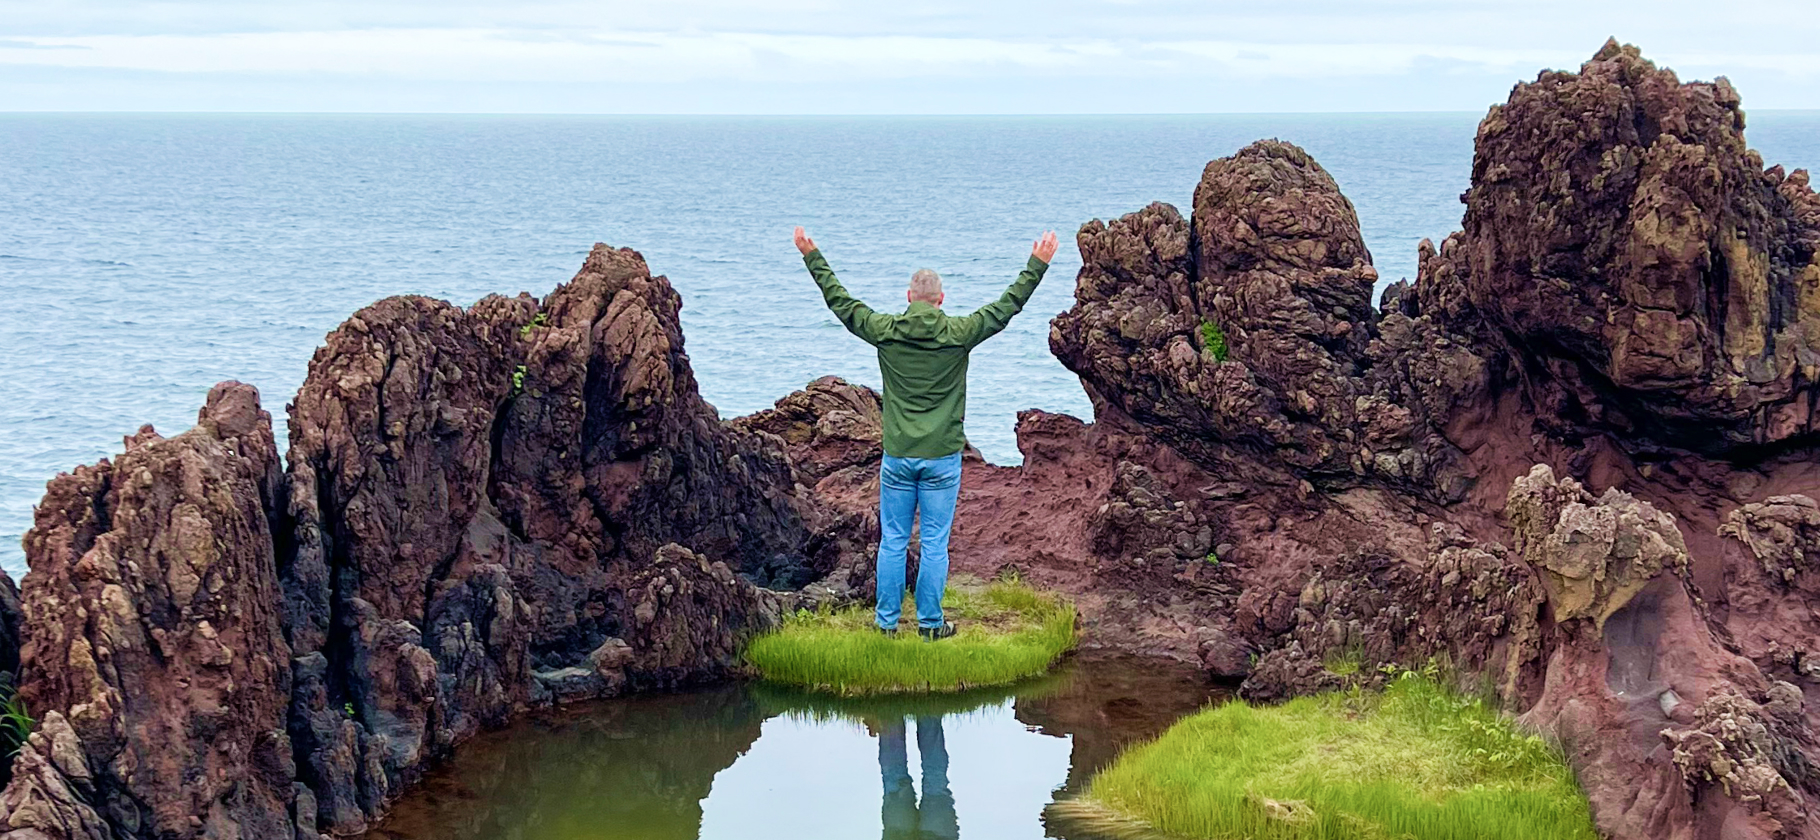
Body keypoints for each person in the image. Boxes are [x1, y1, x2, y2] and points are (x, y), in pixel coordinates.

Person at [794, 226, 1059, 640]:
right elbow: (1007, 306)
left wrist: (812, 255)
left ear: (908, 298)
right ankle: (931, 625)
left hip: (898, 456)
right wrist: (1037, 264)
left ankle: (886, 626)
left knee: (893, 542)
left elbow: (841, 303)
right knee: (935, 543)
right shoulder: (959, 333)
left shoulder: (885, 330)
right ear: (940, 300)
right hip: (942, 457)